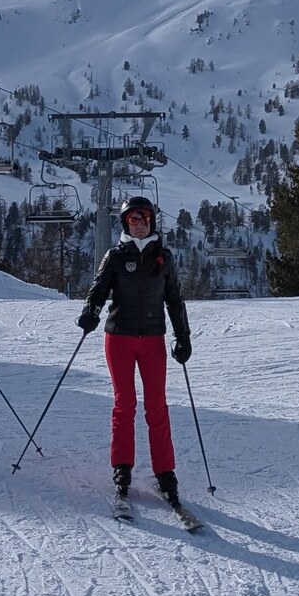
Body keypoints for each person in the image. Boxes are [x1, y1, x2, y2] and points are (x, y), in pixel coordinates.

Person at [77, 194, 192, 510]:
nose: (139, 224)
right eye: (133, 219)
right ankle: (122, 469)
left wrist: (183, 336)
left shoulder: (163, 258)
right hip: (119, 338)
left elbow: (174, 299)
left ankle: (165, 473)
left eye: (144, 219)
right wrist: (90, 311)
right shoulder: (115, 256)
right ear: (126, 223)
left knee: (157, 405)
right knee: (124, 404)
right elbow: (98, 289)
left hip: (153, 339)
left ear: (152, 222)